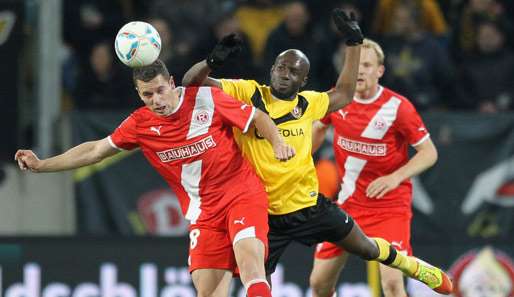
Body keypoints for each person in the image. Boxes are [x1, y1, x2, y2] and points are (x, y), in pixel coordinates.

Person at [182, 9, 453, 295]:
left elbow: (345, 94)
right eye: (281, 67)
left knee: (367, 249)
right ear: (272, 69)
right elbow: (190, 85)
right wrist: (211, 62)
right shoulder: (247, 92)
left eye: (294, 71)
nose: (285, 74)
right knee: (259, 282)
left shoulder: (309, 103)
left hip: (308, 207)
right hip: (261, 211)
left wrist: (353, 43)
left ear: (304, 79)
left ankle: (414, 267)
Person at [14, 59, 297, 297]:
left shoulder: (205, 99)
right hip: (203, 213)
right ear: (139, 94)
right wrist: (42, 165)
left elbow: (258, 117)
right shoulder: (140, 124)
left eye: (161, 90)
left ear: (172, 83)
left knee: (251, 268)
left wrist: (278, 143)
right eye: (147, 95)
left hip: (241, 194)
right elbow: (96, 150)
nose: (157, 100)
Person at [310, 38, 439, 297]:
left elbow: (429, 153)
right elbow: (319, 126)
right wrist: (299, 159)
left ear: (380, 71)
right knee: (319, 284)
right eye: (355, 63)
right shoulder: (336, 98)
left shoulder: (398, 108)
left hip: (389, 206)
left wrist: (396, 177)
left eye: (367, 65)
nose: (359, 70)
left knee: (391, 284)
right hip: (348, 203)